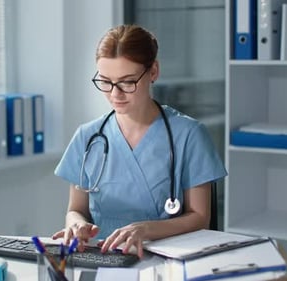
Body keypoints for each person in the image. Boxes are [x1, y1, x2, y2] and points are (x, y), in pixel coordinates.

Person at [52, 24, 227, 259]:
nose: (115, 94)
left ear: (153, 71)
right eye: (105, 81)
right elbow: (76, 210)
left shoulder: (189, 135)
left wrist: (146, 229)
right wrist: (76, 224)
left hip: (166, 260)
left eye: (127, 82)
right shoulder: (87, 137)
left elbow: (199, 217)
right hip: (101, 259)